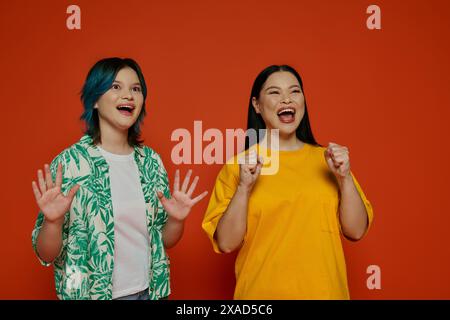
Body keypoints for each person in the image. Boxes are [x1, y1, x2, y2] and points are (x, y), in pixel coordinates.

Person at [31, 57, 208, 300]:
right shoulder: (70, 164)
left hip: (151, 293)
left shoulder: (151, 162)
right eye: (116, 87)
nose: (129, 95)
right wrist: (52, 222)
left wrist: (176, 220)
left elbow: (165, 240)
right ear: (94, 100)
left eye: (136, 89)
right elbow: (46, 254)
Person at [202, 65, 374, 299]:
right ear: (256, 105)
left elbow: (356, 231)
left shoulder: (330, 161)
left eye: (294, 91)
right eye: (274, 92)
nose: (286, 99)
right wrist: (244, 187)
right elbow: (226, 243)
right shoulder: (239, 167)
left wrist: (344, 178)